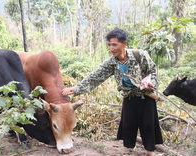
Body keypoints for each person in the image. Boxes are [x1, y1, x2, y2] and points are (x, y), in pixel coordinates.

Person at [62, 28, 163, 156]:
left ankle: (149, 150)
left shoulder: (140, 55)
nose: (111, 48)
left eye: (114, 44)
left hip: (145, 96)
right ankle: (129, 148)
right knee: (129, 123)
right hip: (128, 95)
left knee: (148, 123)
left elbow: (152, 71)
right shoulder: (111, 63)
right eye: (109, 45)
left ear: (124, 44)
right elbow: (95, 77)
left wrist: (151, 83)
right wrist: (76, 89)